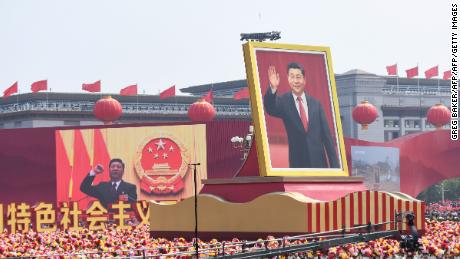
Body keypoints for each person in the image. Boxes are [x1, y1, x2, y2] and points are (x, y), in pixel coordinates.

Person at [263, 62, 339, 168]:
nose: (295, 81)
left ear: (304, 80)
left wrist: (336, 168)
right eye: (292, 77)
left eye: (298, 77)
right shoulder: (283, 102)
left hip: (319, 164)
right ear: (288, 79)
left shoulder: (316, 104)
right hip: (298, 163)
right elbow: (270, 108)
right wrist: (273, 88)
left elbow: (327, 138)